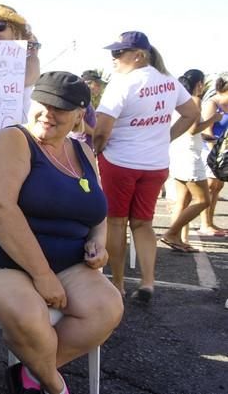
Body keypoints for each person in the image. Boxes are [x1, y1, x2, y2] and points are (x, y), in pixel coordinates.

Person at [0, 72, 123, 394]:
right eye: (44, 102)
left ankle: (30, 374)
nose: (49, 112)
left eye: (61, 107)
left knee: (107, 306)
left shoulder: (83, 153)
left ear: (80, 114)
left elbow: (98, 211)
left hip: (63, 261)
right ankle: (52, 385)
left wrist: (98, 243)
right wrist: (42, 274)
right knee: (28, 315)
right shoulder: (12, 140)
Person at [93, 31, 199, 302]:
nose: (113, 58)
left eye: (119, 53)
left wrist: (97, 149)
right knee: (143, 223)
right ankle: (148, 281)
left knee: (116, 223)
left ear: (138, 55)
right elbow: (191, 114)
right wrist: (166, 137)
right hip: (155, 164)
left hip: (120, 161)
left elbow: (102, 129)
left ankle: (117, 283)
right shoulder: (169, 81)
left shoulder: (122, 83)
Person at [161, 70, 222, 252]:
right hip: (189, 157)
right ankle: (172, 233)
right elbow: (193, 129)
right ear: (199, 84)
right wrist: (214, 119)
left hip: (178, 152)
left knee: (183, 200)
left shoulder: (177, 100)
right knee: (203, 200)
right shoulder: (194, 100)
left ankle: (178, 238)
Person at [199, 73, 228, 236]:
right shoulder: (212, 103)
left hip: (223, 151)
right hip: (209, 150)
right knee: (210, 187)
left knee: (218, 186)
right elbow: (206, 131)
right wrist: (214, 153)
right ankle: (205, 224)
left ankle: (211, 221)